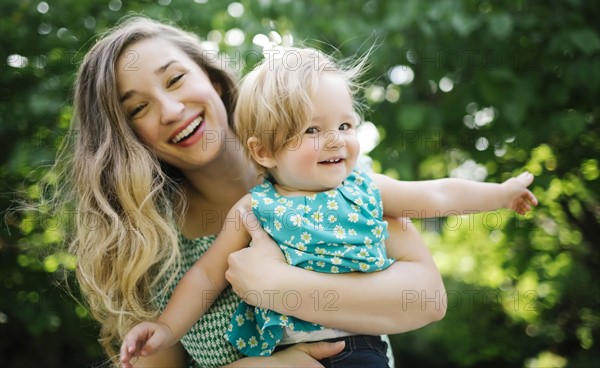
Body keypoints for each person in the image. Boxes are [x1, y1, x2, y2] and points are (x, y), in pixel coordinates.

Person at [48, 16, 450, 368]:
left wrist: (275, 286)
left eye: (176, 79)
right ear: (126, 137)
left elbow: (426, 300)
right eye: (138, 108)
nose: (171, 110)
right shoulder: (151, 246)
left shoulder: (326, 175)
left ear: (213, 78)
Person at [119, 46, 538, 367]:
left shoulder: (363, 190)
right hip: (284, 350)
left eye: (343, 125)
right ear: (263, 150)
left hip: (357, 348)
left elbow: (438, 195)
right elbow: (206, 274)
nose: (336, 139)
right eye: (312, 130)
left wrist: (501, 194)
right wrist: (166, 327)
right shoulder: (254, 208)